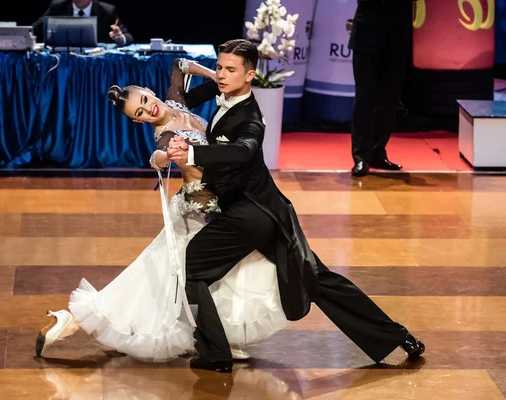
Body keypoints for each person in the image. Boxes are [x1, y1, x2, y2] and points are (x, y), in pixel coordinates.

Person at [166, 39, 425, 373]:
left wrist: (191, 154)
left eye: (231, 69)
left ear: (250, 75)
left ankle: (216, 354)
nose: (222, 74)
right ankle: (400, 337)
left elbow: (244, 151)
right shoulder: (222, 93)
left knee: (191, 269)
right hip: (271, 213)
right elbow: (179, 98)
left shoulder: (251, 119)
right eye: (219, 67)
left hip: (248, 214)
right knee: (317, 279)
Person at [35, 57, 288, 362]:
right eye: (140, 113)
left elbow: (180, 64)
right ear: (137, 121)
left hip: (214, 203)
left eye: (144, 100)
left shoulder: (175, 102)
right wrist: (164, 157)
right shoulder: (165, 135)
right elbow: (158, 156)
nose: (147, 109)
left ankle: (212, 336)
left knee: (176, 276)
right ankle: (80, 320)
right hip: (201, 208)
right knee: (178, 276)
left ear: (148, 90)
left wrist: (215, 78)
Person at [348, 0, 414, 176]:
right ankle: (361, 156)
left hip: (397, 36)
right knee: (365, 97)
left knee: (390, 98)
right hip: (366, 35)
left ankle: (378, 151)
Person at [32, 0, 133, 45]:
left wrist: (120, 38)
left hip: (94, 62)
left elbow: (128, 37)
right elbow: (35, 28)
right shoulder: (58, 7)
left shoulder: (107, 11)